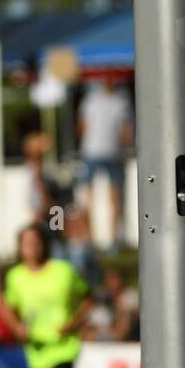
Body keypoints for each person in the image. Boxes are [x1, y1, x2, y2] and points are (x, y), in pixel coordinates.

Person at [1, 224, 93, 368]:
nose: (32, 248)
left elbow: (88, 299)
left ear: (44, 244)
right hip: (36, 348)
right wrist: (17, 328)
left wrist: (74, 323)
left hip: (63, 346)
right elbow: (8, 308)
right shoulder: (15, 277)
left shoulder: (63, 271)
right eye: (27, 244)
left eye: (35, 243)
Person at [77, 80, 132, 252]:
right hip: (99, 152)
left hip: (103, 152)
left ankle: (111, 240)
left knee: (110, 199)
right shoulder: (96, 100)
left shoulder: (98, 100)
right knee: (92, 199)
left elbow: (83, 126)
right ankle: (91, 239)